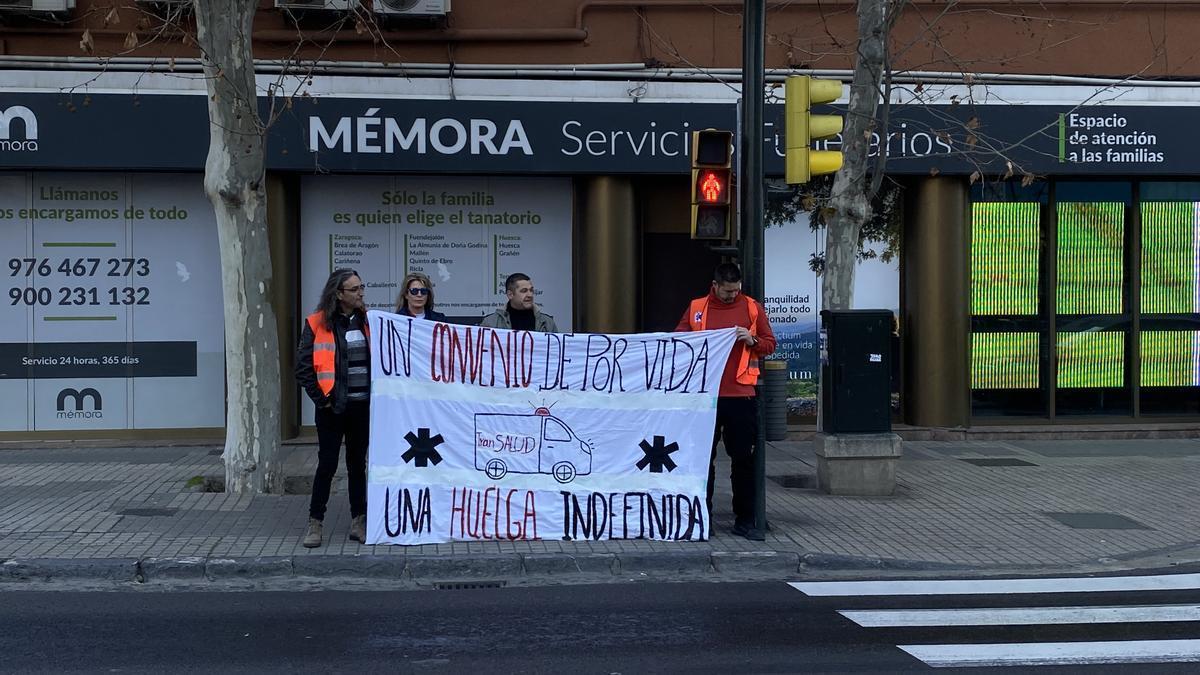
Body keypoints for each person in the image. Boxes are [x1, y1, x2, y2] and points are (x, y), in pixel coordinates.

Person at [675, 262, 776, 538]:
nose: (733, 295)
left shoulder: (752, 308)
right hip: (706, 396)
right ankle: (700, 517)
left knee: (743, 460)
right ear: (715, 285)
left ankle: (745, 518)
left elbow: (769, 343)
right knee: (702, 460)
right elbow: (679, 343)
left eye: (736, 290)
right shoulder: (697, 308)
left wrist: (752, 340)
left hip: (741, 395)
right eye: (728, 291)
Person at [295, 268, 370, 548]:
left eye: (362, 287)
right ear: (339, 294)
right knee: (326, 465)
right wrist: (323, 400)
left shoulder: (369, 322)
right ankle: (316, 523)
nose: (361, 293)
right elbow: (303, 369)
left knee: (356, 466)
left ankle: (358, 521)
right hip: (332, 409)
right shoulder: (317, 323)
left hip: (361, 406)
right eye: (354, 289)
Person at [479, 272, 558, 332]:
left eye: (531, 290)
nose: (530, 295)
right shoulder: (490, 323)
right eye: (524, 291)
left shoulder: (547, 323)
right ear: (510, 294)